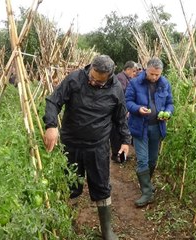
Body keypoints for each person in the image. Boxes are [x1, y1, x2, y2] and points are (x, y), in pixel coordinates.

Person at [43, 55, 131, 240]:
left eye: (98, 81)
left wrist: (124, 141)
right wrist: (51, 125)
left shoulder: (116, 89)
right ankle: (70, 224)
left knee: (101, 186)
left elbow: (120, 118)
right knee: (70, 186)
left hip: (97, 146)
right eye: (91, 76)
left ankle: (107, 230)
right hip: (71, 144)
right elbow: (53, 101)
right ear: (90, 68)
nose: (92, 81)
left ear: (108, 77)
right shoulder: (75, 79)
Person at [125, 57, 174, 207]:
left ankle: (146, 182)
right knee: (142, 159)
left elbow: (170, 103)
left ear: (161, 73)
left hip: (157, 127)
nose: (154, 77)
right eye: (151, 74)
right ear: (146, 69)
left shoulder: (165, 84)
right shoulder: (135, 83)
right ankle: (147, 192)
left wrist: (167, 112)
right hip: (140, 126)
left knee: (152, 159)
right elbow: (128, 102)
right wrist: (137, 109)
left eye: (157, 75)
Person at [110, 60, 137, 163]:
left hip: (121, 109)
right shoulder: (121, 78)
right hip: (118, 109)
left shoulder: (125, 78)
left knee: (119, 132)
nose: (134, 73)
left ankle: (119, 155)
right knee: (117, 133)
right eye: (133, 71)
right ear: (128, 69)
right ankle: (116, 155)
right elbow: (121, 95)